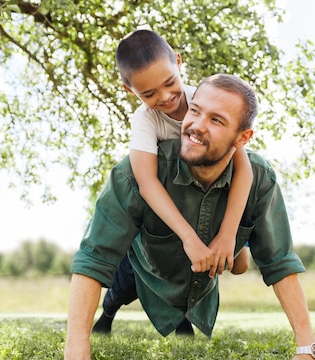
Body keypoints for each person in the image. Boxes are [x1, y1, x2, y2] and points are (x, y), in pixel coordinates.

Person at [61, 74, 315, 360]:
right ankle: (108, 317)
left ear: (242, 138)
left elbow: (279, 261)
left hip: (198, 289)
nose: (196, 125)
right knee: (120, 290)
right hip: (145, 270)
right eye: (194, 111)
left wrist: (308, 350)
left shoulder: (259, 179)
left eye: (216, 120)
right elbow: (93, 258)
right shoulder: (133, 174)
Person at [92, 29, 252, 335]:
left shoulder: (205, 101)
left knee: (238, 265)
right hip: (166, 215)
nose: (165, 97)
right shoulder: (145, 120)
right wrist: (189, 238)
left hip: (208, 201)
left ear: (178, 62)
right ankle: (108, 314)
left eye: (169, 83)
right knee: (131, 279)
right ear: (130, 91)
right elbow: (147, 182)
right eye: (149, 94)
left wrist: (230, 233)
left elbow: (243, 169)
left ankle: (187, 316)